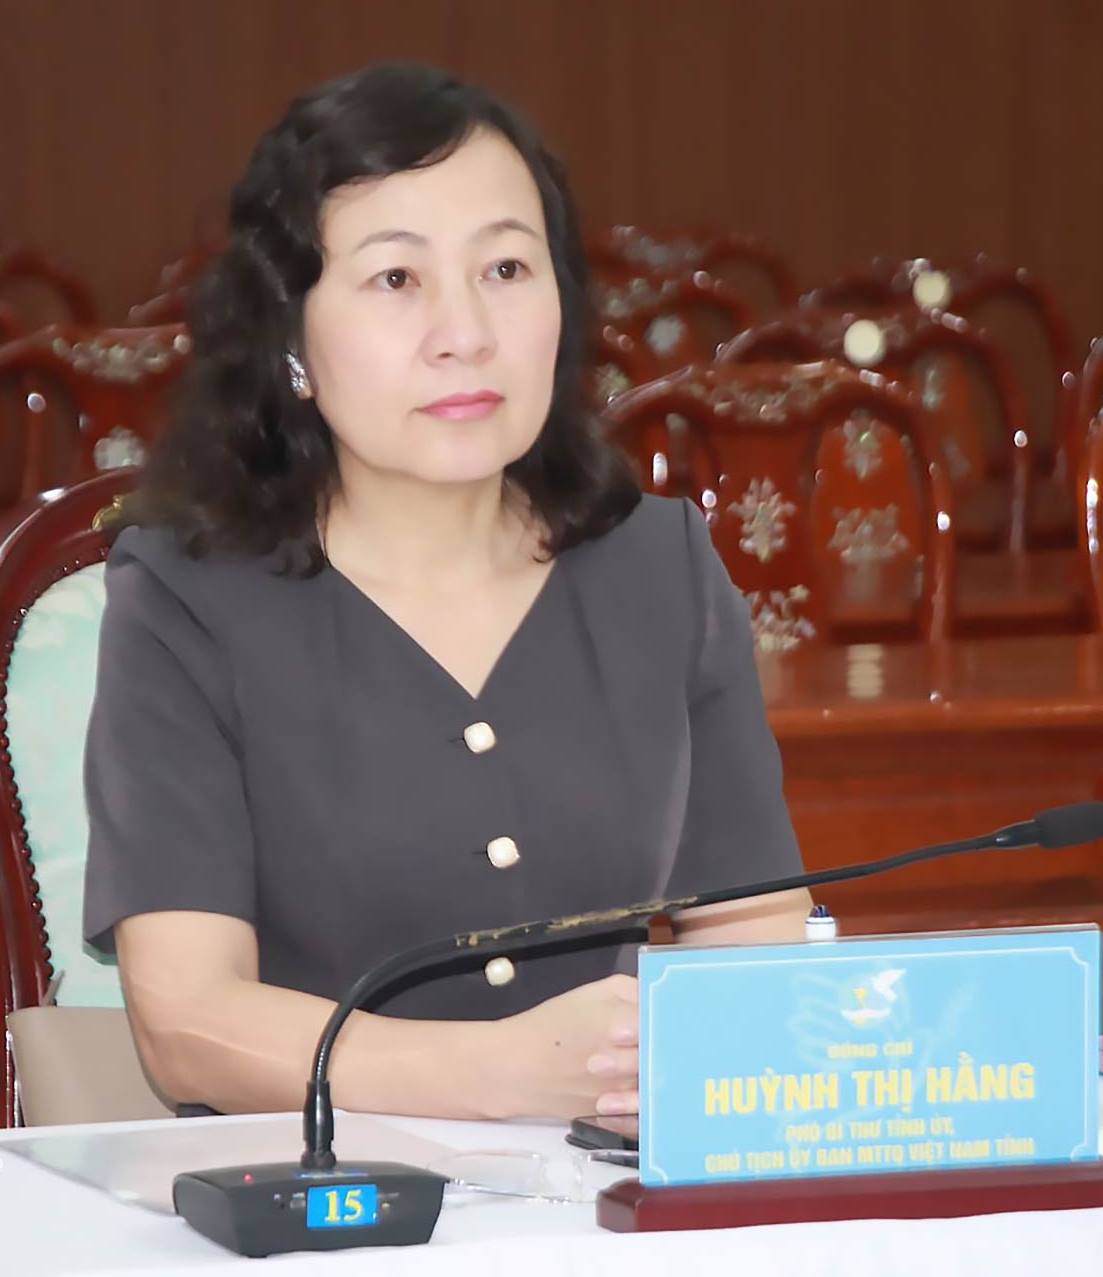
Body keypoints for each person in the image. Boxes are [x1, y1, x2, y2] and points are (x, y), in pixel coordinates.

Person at [83, 61, 809, 1123]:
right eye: (395, 280)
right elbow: (188, 1023)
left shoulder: (660, 568)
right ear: (289, 336)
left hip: (610, 1203)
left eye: (508, 270)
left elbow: (753, 936)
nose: (464, 331)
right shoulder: (189, 602)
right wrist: (500, 1077)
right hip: (324, 1207)